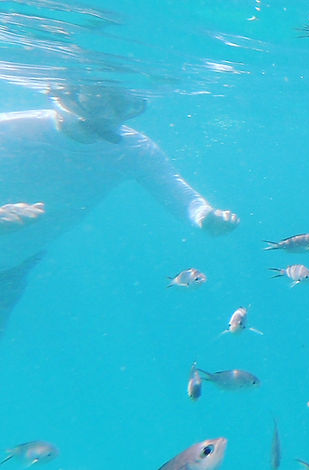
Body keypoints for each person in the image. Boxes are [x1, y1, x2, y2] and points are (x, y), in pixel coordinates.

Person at [0, 83, 239, 335]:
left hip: (14, 267)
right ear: (60, 94)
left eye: (122, 106)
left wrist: (203, 217)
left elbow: (174, 189)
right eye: (95, 101)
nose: (107, 116)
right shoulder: (9, 130)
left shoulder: (134, 149)